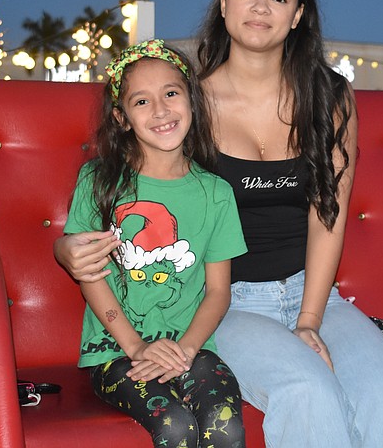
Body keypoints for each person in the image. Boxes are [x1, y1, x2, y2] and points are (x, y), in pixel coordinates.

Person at [57, 0, 383, 447]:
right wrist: (70, 246)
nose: (260, 7)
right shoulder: (187, 100)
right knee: (306, 390)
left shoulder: (330, 96)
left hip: (315, 294)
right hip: (223, 301)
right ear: (224, 2)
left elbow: (328, 214)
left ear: (297, 15)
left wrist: (310, 319)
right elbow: (127, 184)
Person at [62, 39, 247, 448]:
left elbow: (218, 292)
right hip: (115, 351)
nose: (161, 110)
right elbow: (91, 276)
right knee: (176, 426)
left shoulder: (217, 193)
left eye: (170, 93)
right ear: (122, 117)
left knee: (225, 422)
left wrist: (184, 350)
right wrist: (137, 347)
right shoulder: (99, 182)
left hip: (191, 348)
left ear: (191, 101)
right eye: (141, 101)